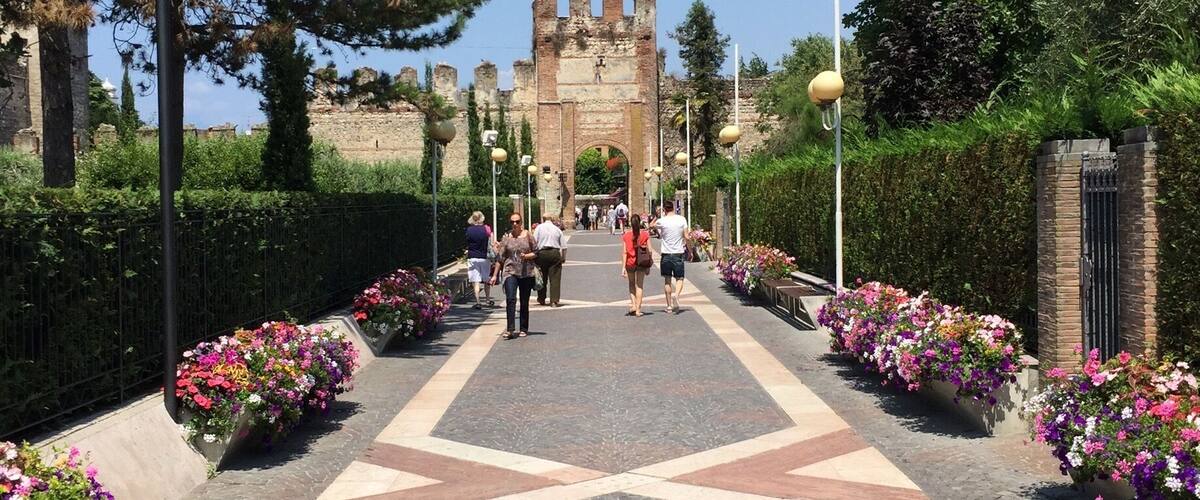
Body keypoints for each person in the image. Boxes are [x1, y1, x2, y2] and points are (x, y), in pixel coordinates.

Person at [491, 213, 537, 339]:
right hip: (510, 271)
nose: (515, 224)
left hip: (526, 272)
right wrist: (495, 275)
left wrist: (527, 256)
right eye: (512, 222)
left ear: (521, 222)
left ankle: (523, 328)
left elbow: (536, 251)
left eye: (517, 221)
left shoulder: (528, 235)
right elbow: (500, 258)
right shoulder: (506, 238)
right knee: (510, 299)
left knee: (524, 301)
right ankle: (510, 329)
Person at [654, 201, 688, 314]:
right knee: (680, 278)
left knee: (667, 280)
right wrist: (691, 249)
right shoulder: (682, 219)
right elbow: (686, 236)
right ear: (673, 208)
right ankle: (676, 296)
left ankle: (669, 306)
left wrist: (657, 217)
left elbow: (650, 226)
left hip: (666, 254)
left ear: (664, 209)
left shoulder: (662, 221)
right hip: (678, 253)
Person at [621, 213, 651, 317]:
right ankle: (638, 309)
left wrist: (623, 268)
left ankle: (633, 305)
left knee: (631, 284)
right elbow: (650, 251)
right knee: (640, 285)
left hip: (630, 263)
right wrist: (648, 266)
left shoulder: (626, 235)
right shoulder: (645, 234)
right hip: (641, 263)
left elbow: (624, 252)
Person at [533, 214, 567, 307]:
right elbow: (564, 246)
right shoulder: (557, 229)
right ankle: (554, 300)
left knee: (541, 277)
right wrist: (563, 258)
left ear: (543, 219)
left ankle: (541, 298)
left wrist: (533, 255)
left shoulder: (539, 228)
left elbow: (534, 242)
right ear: (552, 219)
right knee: (555, 278)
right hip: (554, 252)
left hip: (542, 253)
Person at [465, 211, 495, 309]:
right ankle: (487, 300)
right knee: (486, 279)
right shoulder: (487, 229)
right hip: (484, 257)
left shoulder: (469, 230)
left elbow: (468, 242)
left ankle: (478, 301)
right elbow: (492, 242)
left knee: (475, 280)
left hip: (472, 257)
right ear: (482, 218)